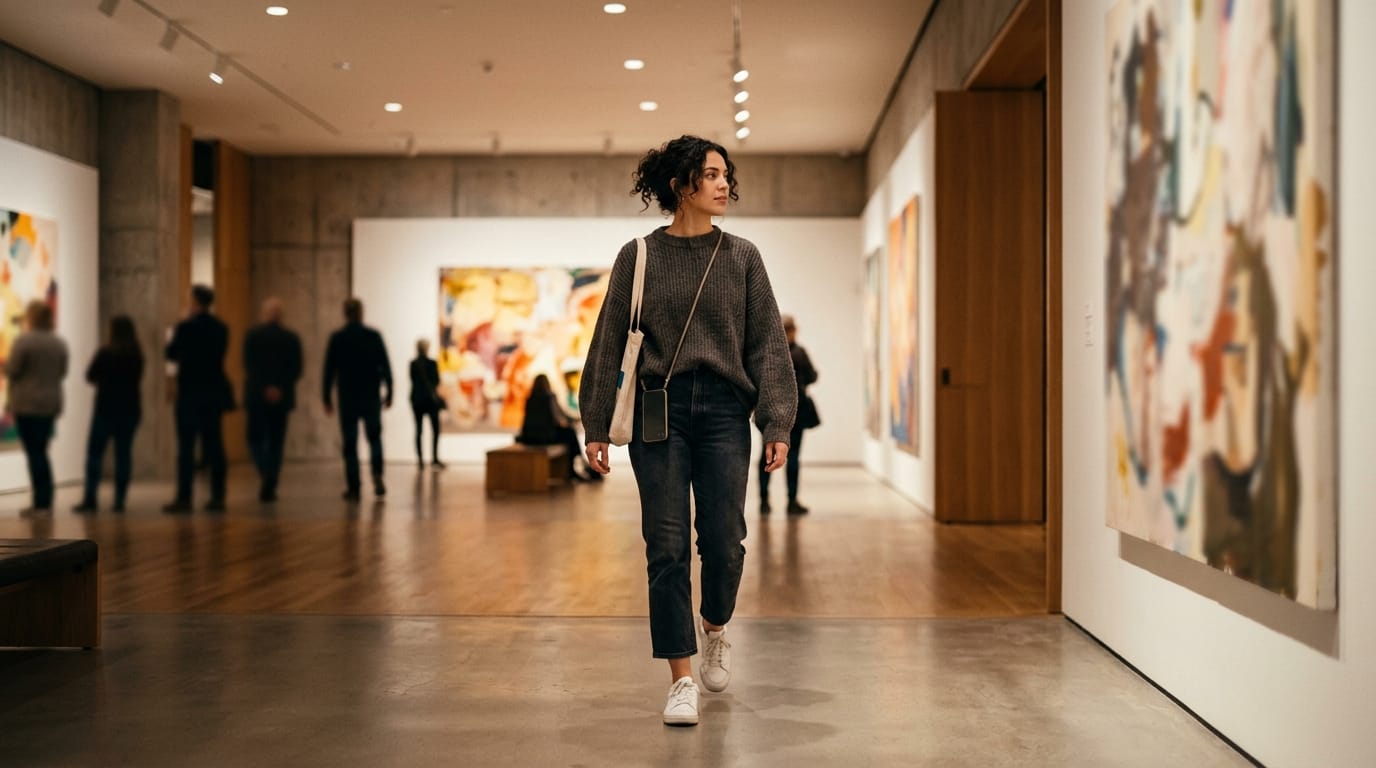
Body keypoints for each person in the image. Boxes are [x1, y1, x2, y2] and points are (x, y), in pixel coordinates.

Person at [579, 135, 796, 727]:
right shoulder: (639, 256)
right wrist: (595, 420)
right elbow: (608, 343)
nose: (725, 184)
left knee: (725, 541)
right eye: (711, 175)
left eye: (727, 174)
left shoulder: (742, 256)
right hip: (658, 411)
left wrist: (778, 417)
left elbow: (768, 345)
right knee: (667, 545)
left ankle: (716, 628)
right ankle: (680, 678)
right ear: (681, 185)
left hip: (726, 409)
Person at [164, 284, 233, 513]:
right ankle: (218, 496)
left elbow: (171, 353)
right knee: (214, 445)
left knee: (186, 448)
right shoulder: (221, 328)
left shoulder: (185, 328)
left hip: (190, 393)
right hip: (213, 392)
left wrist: (180, 325)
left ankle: (184, 498)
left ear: (195, 302)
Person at [323, 298, 392, 502]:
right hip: (370, 396)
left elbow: (329, 371)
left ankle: (354, 487)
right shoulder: (373, 336)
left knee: (350, 443)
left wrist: (326, 396)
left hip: (348, 398)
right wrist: (390, 391)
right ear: (361, 313)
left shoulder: (338, 338)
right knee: (375, 438)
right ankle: (377, 476)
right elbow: (385, 366)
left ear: (345, 313)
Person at [74, 315, 143, 512]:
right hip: (129, 409)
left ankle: (90, 498)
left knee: (95, 454)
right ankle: (120, 500)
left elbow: (90, 376)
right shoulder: (136, 354)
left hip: (106, 409)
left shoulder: (105, 353)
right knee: (123, 455)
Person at [5, 300, 68, 514]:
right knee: (41, 450)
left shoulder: (25, 342)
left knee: (35, 453)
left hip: (28, 403)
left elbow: (13, 369)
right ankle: (45, 498)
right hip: (50, 403)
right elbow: (62, 371)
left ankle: (41, 501)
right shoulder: (57, 343)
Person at [243, 297, 304, 503]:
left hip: (257, 397)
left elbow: (249, 365)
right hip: (282, 397)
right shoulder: (291, 338)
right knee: (277, 441)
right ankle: (271, 478)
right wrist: (279, 388)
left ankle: (266, 473)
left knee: (255, 439)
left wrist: (264, 387)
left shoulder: (253, 336)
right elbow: (296, 368)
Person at [758, 314, 819, 515]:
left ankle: (764, 501)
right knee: (793, 456)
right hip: (796, 412)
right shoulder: (799, 353)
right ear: (792, 331)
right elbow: (812, 376)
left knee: (766, 456)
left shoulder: (769, 351)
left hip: (770, 410)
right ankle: (792, 501)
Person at [516, 373, 596, 482]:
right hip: (546, 437)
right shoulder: (550, 397)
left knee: (568, 434)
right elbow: (559, 418)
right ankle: (573, 467)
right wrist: (575, 419)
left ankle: (575, 465)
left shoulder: (530, 399)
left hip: (529, 437)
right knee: (570, 434)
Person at [409, 338, 445, 470]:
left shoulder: (413, 364)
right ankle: (434, 458)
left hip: (417, 400)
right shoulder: (432, 364)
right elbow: (436, 381)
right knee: (434, 430)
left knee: (419, 430)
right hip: (430, 401)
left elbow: (413, 381)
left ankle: (420, 460)